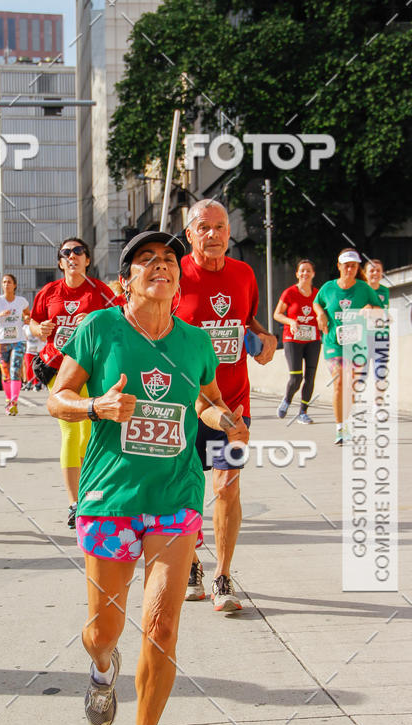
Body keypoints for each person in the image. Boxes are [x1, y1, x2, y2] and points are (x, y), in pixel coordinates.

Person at [48, 232, 247, 725]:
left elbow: (205, 396)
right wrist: (95, 406)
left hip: (174, 497)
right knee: (103, 632)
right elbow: (56, 397)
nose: (160, 266)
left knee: (162, 625)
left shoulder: (193, 340)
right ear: (126, 280)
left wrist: (220, 415)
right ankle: (102, 669)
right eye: (146, 261)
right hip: (111, 498)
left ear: (178, 278)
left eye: (168, 260)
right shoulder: (99, 330)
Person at [177, 199, 276, 608]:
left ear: (229, 233)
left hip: (232, 403)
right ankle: (192, 563)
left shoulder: (244, 274)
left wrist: (265, 338)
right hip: (183, 406)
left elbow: (246, 321)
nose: (213, 235)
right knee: (183, 492)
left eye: (220, 227)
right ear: (190, 235)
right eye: (204, 227)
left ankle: (222, 576)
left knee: (227, 487)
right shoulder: (174, 275)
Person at [30, 238, 115, 528]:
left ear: (87, 260)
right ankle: (74, 503)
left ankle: (90, 494)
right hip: (58, 367)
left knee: (88, 435)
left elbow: (120, 318)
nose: (72, 256)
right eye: (65, 253)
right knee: (70, 432)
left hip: (92, 370)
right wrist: (39, 329)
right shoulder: (49, 292)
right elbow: (34, 321)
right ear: (60, 262)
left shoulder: (100, 291)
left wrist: (94, 319)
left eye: (78, 252)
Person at [313, 249, 381, 445]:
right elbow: (317, 303)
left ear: (357, 267)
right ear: (339, 266)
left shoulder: (364, 288)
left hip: (355, 344)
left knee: (350, 387)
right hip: (333, 342)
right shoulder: (328, 288)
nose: (350, 269)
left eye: (354, 265)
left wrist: (370, 308)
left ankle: (346, 421)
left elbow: (379, 309)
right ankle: (340, 427)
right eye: (346, 265)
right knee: (340, 382)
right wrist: (320, 314)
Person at [273, 259, 321, 424]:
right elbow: (277, 314)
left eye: (308, 271)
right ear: (297, 274)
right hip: (293, 339)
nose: (305, 274)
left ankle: (303, 412)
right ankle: (287, 399)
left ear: (313, 274)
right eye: (302, 271)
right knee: (296, 377)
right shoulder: (289, 293)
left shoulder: (317, 294)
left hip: (313, 339)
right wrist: (291, 322)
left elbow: (323, 312)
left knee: (310, 376)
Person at [0, 274, 30, 416]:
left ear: (14, 285)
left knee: (15, 370)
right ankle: (9, 398)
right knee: (5, 372)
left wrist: (26, 318)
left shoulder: (21, 301)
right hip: (1, 341)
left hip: (18, 340)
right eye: (4, 282)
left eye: (9, 282)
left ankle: (13, 403)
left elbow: (27, 315)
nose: (6, 284)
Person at [22, 321, 44, 390]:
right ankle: (29, 382)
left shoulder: (40, 327)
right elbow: (23, 338)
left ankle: (36, 383)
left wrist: (39, 335)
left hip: (38, 350)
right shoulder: (25, 327)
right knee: (29, 367)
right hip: (29, 350)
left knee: (37, 368)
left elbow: (44, 339)